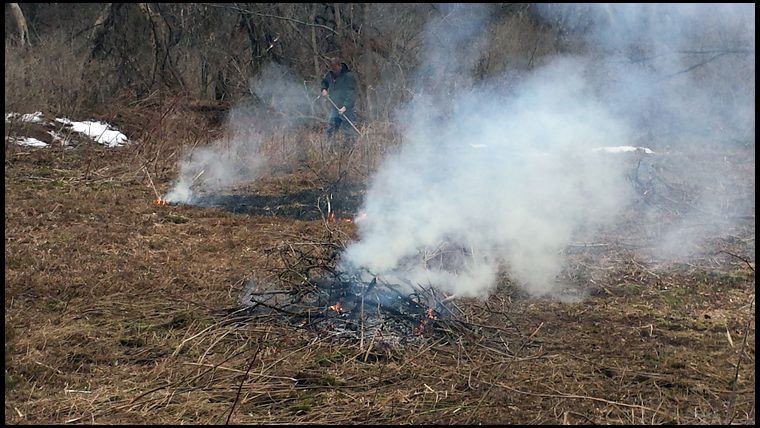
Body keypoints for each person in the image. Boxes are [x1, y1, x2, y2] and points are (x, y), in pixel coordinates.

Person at [320, 57, 358, 146]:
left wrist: (345, 107)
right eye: (332, 69)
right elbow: (324, 82)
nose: (334, 71)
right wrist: (324, 89)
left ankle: (349, 149)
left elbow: (352, 93)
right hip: (335, 107)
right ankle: (329, 147)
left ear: (339, 66)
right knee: (331, 128)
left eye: (335, 68)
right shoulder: (330, 74)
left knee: (347, 130)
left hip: (346, 109)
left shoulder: (348, 76)